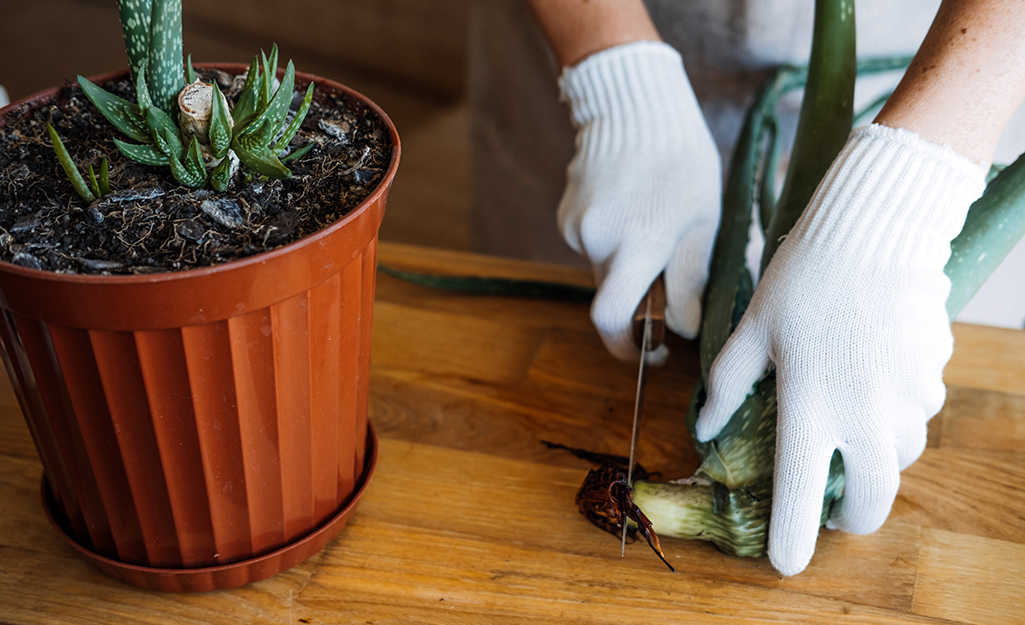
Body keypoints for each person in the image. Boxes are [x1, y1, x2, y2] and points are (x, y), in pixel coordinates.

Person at [523, 0, 1025, 576]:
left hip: (962, 80)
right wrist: (611, 73)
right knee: (592, 267)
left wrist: (909, 195)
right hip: (594, 65)